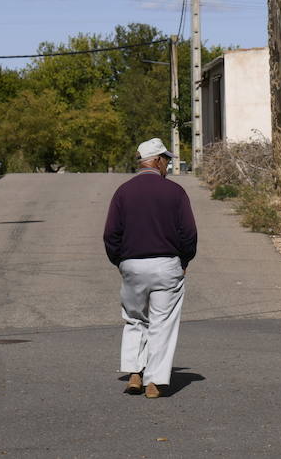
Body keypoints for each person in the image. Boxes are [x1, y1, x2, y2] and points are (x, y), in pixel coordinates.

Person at [102, 137, 198, 398]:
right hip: (166, 264)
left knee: (134, 319)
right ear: (156, 161)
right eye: (165, 160)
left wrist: (120, 262)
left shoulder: (123, 191)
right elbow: (188, 233)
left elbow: (112, 233)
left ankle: (134, 372)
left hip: (132, 264)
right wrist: (185, 260)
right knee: (162, 322)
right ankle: (154, 381)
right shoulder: (175, 192)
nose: (167, 165)